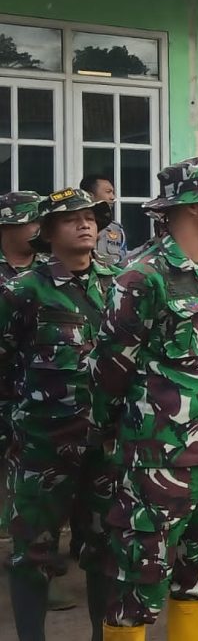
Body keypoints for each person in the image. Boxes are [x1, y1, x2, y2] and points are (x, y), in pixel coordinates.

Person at [91, 157, 198, 640]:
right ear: (193, 207)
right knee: (140, 573)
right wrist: (123, 442)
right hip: (159, 456)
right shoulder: (142, 276)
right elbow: (109, 369)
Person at [0, 188, 117, 641]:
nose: (85, 224)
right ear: (47, 232)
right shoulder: (23, 291)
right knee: (33, 553)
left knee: (104, 548)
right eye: (71, 219)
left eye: (90, 216)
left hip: (104, 442)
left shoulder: (118, 282)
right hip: (41, 444)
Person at [0, 190, 42, 545]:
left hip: (37, 396)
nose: (38, 227)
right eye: (31, 220)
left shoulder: (50, 271)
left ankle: (32, 559)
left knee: (32, 486)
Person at [80, 175, 127, 266]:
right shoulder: (75, 228)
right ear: (90, 196)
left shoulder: (116, 229)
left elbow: (123, 264)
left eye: (113, 192)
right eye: (108, 192)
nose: (113, 197)